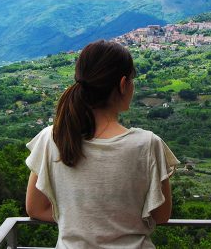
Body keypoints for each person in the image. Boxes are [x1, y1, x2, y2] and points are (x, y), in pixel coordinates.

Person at [25, 40, 180, 248]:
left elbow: (35, 209)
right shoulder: (148, 145)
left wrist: (80, 222)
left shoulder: (51, 138)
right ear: (123, 84)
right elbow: (161, 215)